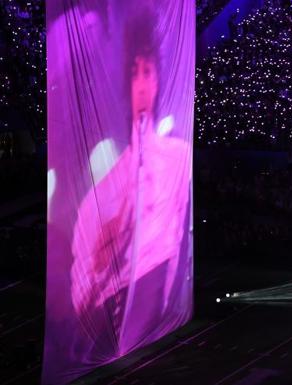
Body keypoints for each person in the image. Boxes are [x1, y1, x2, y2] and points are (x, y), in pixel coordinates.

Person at [69, 5, 191, 354]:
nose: (140, 85)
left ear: (158, 79)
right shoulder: (104, 189)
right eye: (133, 73)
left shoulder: (177, 158)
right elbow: (82, 292)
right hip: (115, 308)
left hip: (156, 304)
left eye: (148, 72)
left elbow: (177, 238)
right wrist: (103, 262)